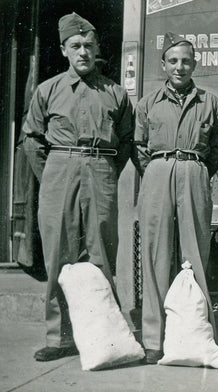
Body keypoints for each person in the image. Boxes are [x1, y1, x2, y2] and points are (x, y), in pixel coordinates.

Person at [23, 12, 134, 361]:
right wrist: (53, 176)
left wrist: (104, 171)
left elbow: (127, 141)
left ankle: (102, 336)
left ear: (98, 47)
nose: (83, 51)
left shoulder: (115, 93)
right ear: (63, 50)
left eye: (88, 45)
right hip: (60, 168)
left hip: (101, 168)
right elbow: (31, 140)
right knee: (60, 254)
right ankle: (60, 338)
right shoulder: (49, 90)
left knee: (100, 253)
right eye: (75, 46)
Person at [135, 33, 218, 364]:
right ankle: (152, 339)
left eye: (186, 60)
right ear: (163, 65)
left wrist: (196, 171)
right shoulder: (147, 103)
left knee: (196, 254)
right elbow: (139, 148)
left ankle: (197, 334)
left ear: (195, 64)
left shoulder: (211, 102)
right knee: (155, 253)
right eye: (173, 60)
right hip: (158, 171)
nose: (180, 67)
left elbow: (217, 148)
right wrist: (161, 168)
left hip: (194, 169)